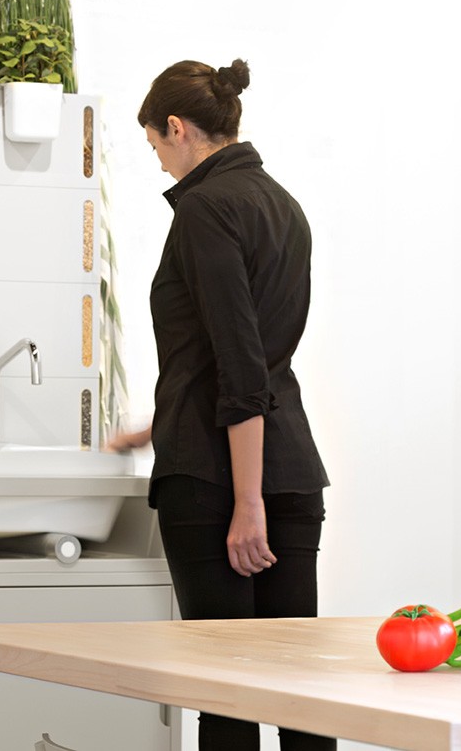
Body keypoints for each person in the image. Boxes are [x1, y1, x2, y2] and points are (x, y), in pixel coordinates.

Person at [106, 59, 332, 750]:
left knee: (226, 695)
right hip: (289, 465)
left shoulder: (205, 208)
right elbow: (248, 356)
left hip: (218, 482)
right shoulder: (282, 204)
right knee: (300, 695)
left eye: (154, 145)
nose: (159, 161)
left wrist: (247, 502)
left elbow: (239, 364)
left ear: (177, 128)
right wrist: (159, 422)